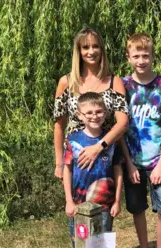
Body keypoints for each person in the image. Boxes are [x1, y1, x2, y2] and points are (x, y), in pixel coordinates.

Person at [120, 33, 161, 248]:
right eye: (137, 55)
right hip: (132, 162)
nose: (141, 60)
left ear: (153, 56)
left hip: (157, 162)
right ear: (128, 57)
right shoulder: (123, 86)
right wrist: (128, 163)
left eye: (146, 55)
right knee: (137, 209)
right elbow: (119, 128)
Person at [62, 92, 122, 248]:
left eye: (98, 112)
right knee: (78, 237)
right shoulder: (72, 139)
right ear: (79, 115)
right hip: (79, 203)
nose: (94, 116)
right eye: (88, 113)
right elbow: (67, 170)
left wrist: (117, 201)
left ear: (105, 114)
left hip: (104, 203)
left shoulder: (110, 140)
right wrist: (69, 201)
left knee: (102, 237)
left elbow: (118, 169)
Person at [53, 27, 129, 179]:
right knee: (76, 202)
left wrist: (98, 147)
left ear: (101, 49)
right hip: (75, 159)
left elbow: (123, 123)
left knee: (106, 201)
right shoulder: (66, 82)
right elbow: (59, 125)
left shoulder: (115, 82)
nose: (91, 51)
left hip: (106, 158)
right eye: (85, 47)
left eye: (95, 46)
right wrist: (59, 163)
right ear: (78, 51)